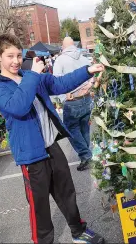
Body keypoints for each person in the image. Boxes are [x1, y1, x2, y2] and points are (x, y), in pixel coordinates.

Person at [0, 33, 105, 244]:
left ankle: (78, 232)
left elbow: (60, 83)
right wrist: (32, 75)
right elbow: (18, 107)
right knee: (39, 206)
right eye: (10, 56)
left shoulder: (30, 76)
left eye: (18, 56)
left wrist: (88, 71)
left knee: (67, 192)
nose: (16, 61)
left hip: (51, 146)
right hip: (30, 154)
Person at [53, 37, 94, 171]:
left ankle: (86, 155)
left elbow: (56, 81)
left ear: (63, 47)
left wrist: (63, 97)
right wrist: (88, 87)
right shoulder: (84, 58)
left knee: (71, 130)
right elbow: (92, 75)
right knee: (84, 128)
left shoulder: (60, 60)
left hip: (72, 100)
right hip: (86, 97)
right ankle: (86, 154)